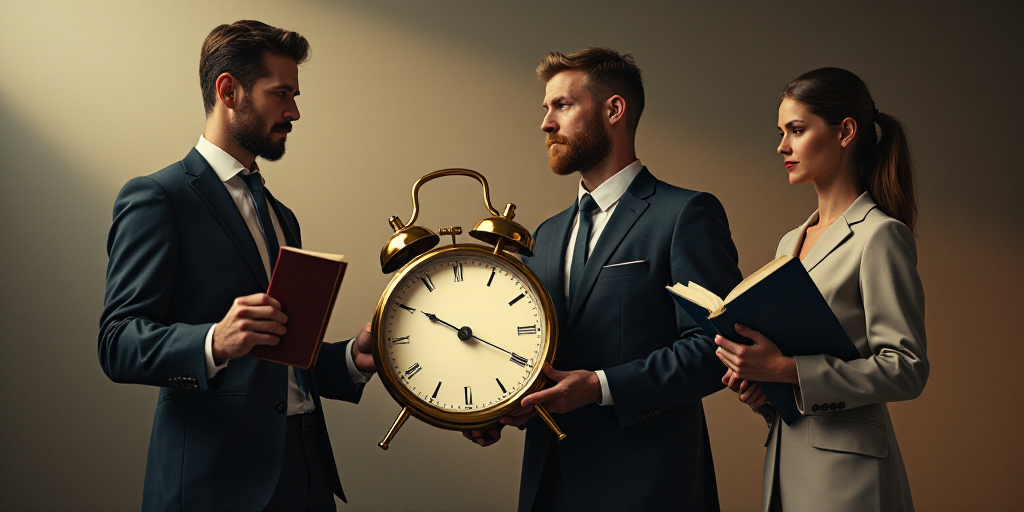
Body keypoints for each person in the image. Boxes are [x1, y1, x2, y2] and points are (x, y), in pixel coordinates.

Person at [98, 20, 375, 512]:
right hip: (214, 484)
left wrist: (353, 357)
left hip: (307, 475)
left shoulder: (282, 215)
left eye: (294, 96)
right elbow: (117, 342)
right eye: (281, 93)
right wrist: (214, 341)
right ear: (228, 91)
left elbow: (284, 361)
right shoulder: (158, 198)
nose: (294, 111)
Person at [466, 48, 743, 512]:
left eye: (562, 105)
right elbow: (536, 355)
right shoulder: (546, 235)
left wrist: (599, 386)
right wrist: (498, 407)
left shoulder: (685, 214)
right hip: (548, 485)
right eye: (546, 108)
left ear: (614, 109)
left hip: (648, 488)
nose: (546, 123)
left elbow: (718, 348)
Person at [715, 67, 928, 511]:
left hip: (849, 475)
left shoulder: (880, 235)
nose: (782, 146)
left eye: (796, 130)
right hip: (786, 461)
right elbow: (799, 373)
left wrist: (787, 370)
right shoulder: (789, 243)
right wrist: (764, 389)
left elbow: (906, 368)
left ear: (845, 132)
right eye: (781, 133)